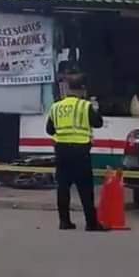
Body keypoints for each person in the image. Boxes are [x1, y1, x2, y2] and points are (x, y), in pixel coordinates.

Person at [46, 78, 108, 231]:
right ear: (82, 90)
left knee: (63, 187)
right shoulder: (84, 106)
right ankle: (91, 223)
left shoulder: (56, 107)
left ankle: (64, 221)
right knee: (85, 188)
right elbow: (98, 123)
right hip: (80, 152)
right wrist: (95, 109)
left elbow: (50, 130)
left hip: (61, 152)